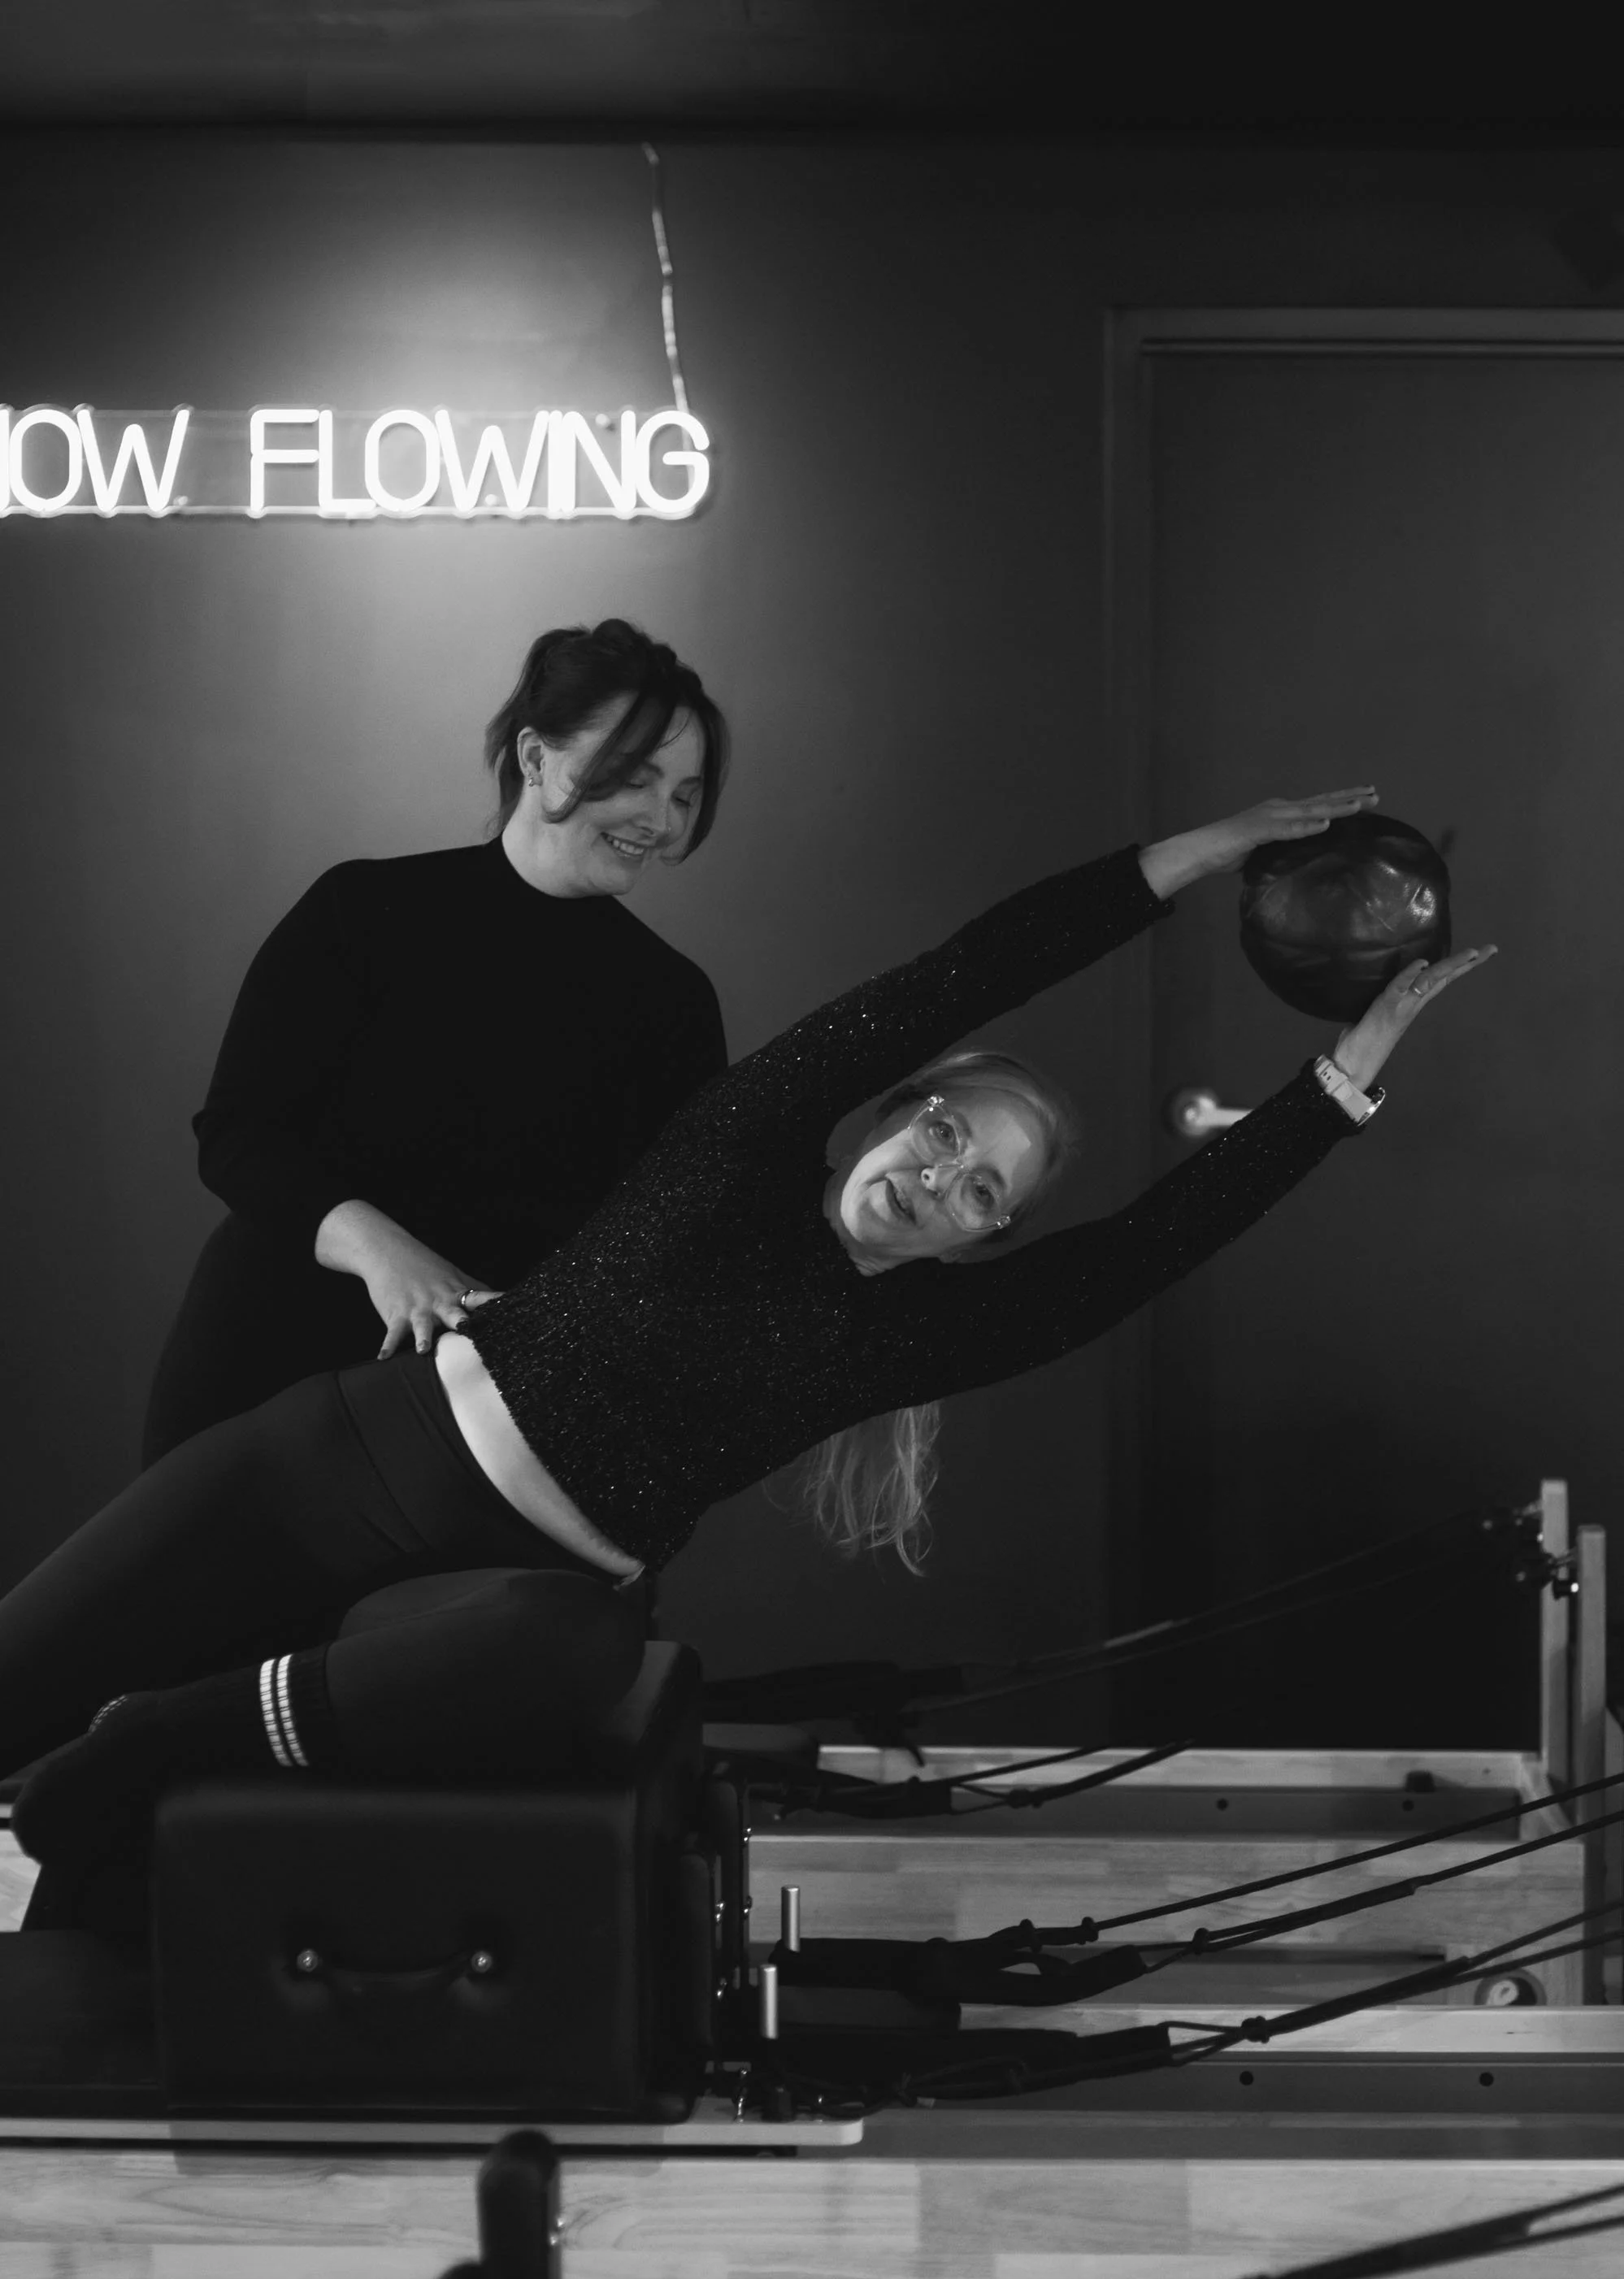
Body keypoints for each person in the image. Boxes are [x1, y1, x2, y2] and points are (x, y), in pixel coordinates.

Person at [4, 785, 1493, 1876]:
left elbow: (1156, 1243)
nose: (940, 1181)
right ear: (898, 1109)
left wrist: (1344, 1078)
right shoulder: (743, 1137)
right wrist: (1203, 853)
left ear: (984, 1243)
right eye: (944, 1136)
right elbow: (970, 970)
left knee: (583, 1651)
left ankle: (165, 1734)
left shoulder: (903, 1341)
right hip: (342, 1459)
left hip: (500, 1604)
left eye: (982, 1193)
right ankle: (119, 1746)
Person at [141, 619, 731, 1465]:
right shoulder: (364, 910)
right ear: (535, 757)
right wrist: (389, 1257)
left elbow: (664, 1248)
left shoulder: (674, 1003)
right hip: (261, 1363)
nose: (661, 821)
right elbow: (238, 1136)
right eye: (635, 778)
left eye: (684, 795)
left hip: (472, 1425)